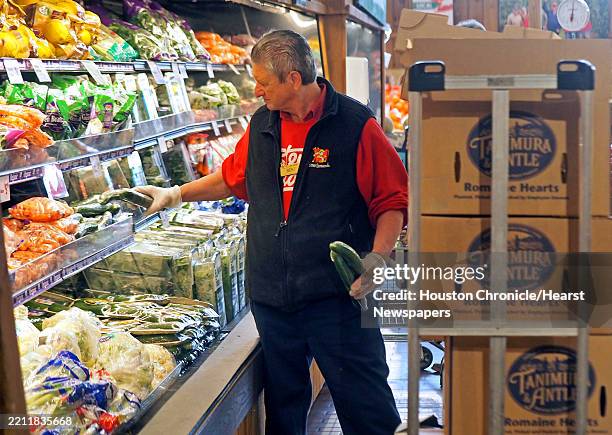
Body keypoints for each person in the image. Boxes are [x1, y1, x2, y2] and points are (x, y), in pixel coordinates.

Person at [137, 30, 406, 435]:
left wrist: (378, 257)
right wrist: (174, 194)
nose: (257, 89)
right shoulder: (263, 124)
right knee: (284, 407)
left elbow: (391, 201)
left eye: (263, 81)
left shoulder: (354, 125)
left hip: (337, 296)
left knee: (365, 402)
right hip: (273, 298)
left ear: (293, 79)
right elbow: (233, 178)